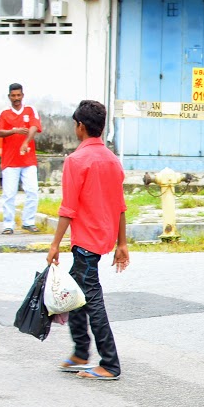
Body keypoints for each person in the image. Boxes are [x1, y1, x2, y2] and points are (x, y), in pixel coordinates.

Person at [46, 100, 127, 381]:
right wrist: (122, 244)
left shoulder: (76, 161)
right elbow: (120, 206)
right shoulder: (112, 160)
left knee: (91, 299)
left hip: (86, 240)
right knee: (76, 290)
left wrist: (54, 245)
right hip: (104, 236)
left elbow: (68, 209)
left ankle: (110, 364)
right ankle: (81, 351)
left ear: (80, 126)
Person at [0, 82, 42, 234]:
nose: (16, 98)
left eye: (18, 95)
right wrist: (14, 130)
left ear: (22, 95)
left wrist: (26, 142)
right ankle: (8, 225)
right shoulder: (3, 113)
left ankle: (28, 222)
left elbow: (35, 127)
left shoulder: (30, 110)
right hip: (10, 161)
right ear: (9, 96)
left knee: (33, 191)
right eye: (13, 95)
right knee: (9, 194)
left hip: (28, 160)